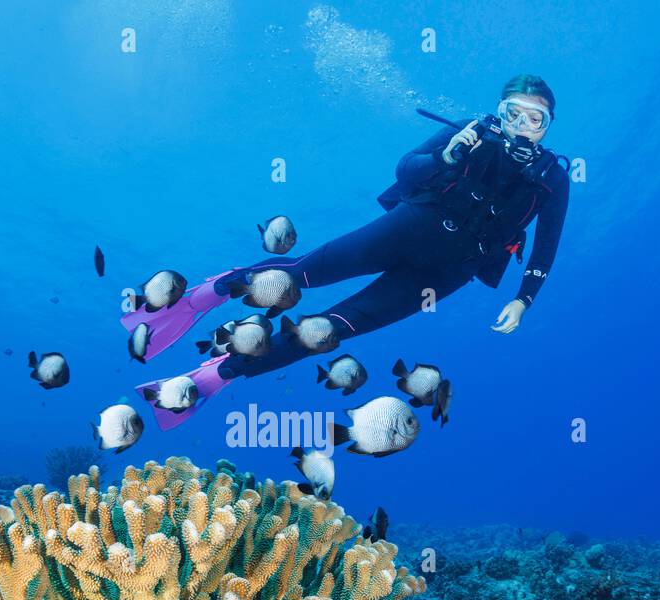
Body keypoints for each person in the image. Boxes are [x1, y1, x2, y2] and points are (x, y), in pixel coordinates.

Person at [132, 74, 570, 425]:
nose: (523, 126)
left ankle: (220, 374)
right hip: (408, 228)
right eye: (515, 113)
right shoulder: (471, 134)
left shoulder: (552, 178)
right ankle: (205, 296)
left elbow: (546, 247)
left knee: (331, 330)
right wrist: (447, 158)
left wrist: (523, 300)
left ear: (548, 126)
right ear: (500, 110)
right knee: (300, 275)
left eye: (537, 120)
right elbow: (406, 169)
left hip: (443, 276)